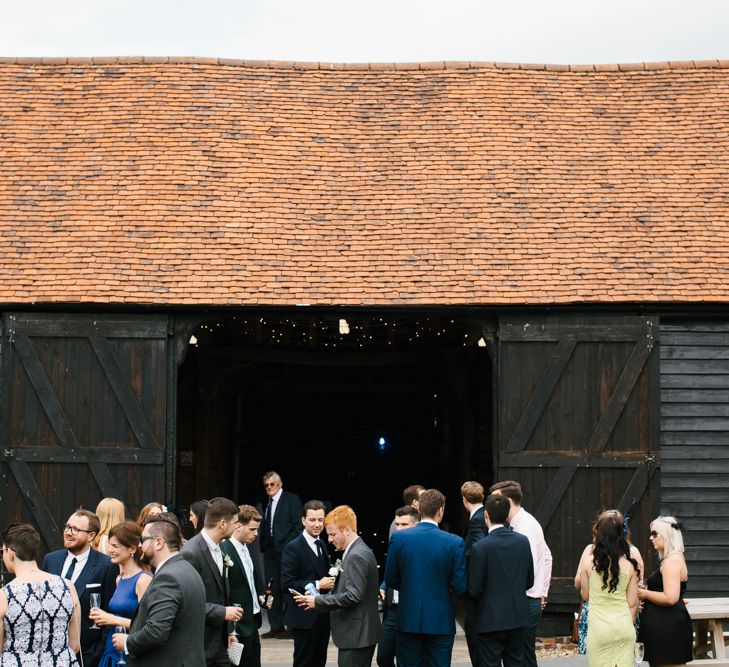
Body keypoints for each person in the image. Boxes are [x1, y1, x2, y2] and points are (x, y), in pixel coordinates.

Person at [384, 488, 467, 667]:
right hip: (440, 619)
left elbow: (390, 579)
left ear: (419, 509)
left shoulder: (399, 539)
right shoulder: (455, 542)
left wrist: (409, 585)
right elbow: (460, 587)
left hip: (408, 617)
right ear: (441, 510)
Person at [111, 513, 206, 666]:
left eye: (143, 540)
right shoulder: (187, 568)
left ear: (158, 543)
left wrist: (127, 642)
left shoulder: (168, 578)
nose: (140, 545)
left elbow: (155, 632)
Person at [295, 505, 381, 667]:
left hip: (357, 636)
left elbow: (353, 595)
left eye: (333, 534)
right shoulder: (357, 550)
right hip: (358, 634)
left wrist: (318, 601)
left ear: (347, 530)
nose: (329, 539)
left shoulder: (356, 555)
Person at [42, 508, 118, 667]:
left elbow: (109, 612)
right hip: (49, 654)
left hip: (87, 655)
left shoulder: (106, 566)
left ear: (91, 535)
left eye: (75, 529)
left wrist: (98, 652)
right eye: (67, 527)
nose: (68, 532)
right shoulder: (50, 560)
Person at [489, 480, 552, 667]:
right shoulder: (521, 523)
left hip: (524, 601)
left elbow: (525, 569)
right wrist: (543, 591)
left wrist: (539, 592)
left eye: (496, 499)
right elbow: (548, 557)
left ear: (508, 500)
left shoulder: (525, 528)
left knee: (522, 659)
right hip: (528, 599)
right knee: (523, 656)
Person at [0, 523, 82, 665]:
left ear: (11, 553)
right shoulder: (68, 586)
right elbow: (75, 644)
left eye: (2, 551)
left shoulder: (5, 595)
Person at [468, 494, 534, 667]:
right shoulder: (522, 541)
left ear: (486, 515)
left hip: (489, 620)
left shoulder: (480, 547)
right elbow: (529, 581)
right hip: (517, 616)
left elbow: (474, 589)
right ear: (506, 515)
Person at [181, 497, 244, 667]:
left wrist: (229, 630)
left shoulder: (221, 547)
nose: (237, 526)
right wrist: (222, 612)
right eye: (235, 522)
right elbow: (185, 603)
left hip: (221, 644)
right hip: (199, 645)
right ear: (222, 524)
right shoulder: (191, 552)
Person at [573, 511, 644, 656]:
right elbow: (632, 600)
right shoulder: (630, 564)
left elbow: (585, 595)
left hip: (598, 624)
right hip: (623, 623)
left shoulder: (589, 560)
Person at [89, 521, 153, 666]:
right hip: (112, 648)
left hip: (130, 652)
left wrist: (112, 619)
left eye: (115, 546)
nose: (110, 550)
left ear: (132, 549)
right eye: (110, 545)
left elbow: (147, 626)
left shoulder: (143, 580)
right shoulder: (119, 578)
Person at [281, 500, 335, 667]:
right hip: (303, 618)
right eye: (312, 520)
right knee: (303, 662)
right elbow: (287, 583)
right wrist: (319, 584)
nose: (317, 524)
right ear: (303, 520)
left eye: (320, 520)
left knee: (320, 661)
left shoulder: (323, 544)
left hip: (322, 616)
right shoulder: (293, 547)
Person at [637, 516, 693, 667]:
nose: (651, 537)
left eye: (655, 534)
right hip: (663, 628)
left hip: (668, 630)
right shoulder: (671, 558)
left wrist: (645, 594)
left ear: (667, 534)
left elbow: (670, 597)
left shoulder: (672, 561)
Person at [222, 505, 271, 667]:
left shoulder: (245, 548)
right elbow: (224, 592)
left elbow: (247, 583)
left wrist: (259, 597)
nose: (256, 534)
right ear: (237, 526)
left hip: (252, 622)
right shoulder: (225, 550)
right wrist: (230, 629)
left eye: (257, 529)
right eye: (252, 529)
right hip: (237, 626)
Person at [259, 471, 303, 638]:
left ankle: (292, 626)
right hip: (270, 552)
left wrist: (287, 547)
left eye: (272, 484)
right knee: (271, 589)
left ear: (280, 484)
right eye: (266, 485)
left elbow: (298, 526)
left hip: (287, 552)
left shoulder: (291, 499)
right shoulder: (268, 502)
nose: (269, 487)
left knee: (289, 588)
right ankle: (275, 626)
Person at [377, 505, 420, 667]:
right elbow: (391, 573)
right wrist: (383, 584)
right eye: (397, 524)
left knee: (408, 659)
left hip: (412, 610)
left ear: (416, 526)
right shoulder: (394, 545)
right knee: (383, 658)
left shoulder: (421, 548)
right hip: (392, 611)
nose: (399, 528)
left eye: (404, 525)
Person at [461, 481, 487, 667]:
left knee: (475, 635)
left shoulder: (477, 519)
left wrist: (461, 557)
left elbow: (478, 547)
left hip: (476, 587)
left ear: (464, 499)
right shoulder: (482, 514)